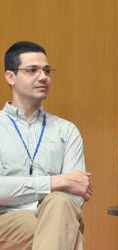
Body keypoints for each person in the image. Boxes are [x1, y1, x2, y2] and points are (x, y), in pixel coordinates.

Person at [0, 41, 93, 250]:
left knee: (60, 205)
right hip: (6, 218)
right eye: (32, 70)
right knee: (68, 232)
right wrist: (55, 182)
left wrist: (59, 190)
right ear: (10, 77)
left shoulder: (66, 130)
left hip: (56, 213)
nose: (43, 77)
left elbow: (76, 194)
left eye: (47, 70)